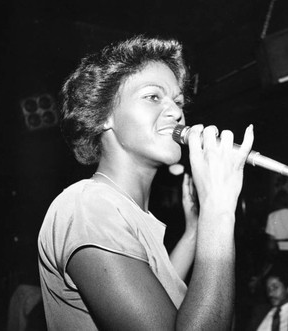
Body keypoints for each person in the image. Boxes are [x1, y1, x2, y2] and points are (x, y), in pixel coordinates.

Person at [37, 35, 254, 330]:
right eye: (153, 96)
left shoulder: (129, 215)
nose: (177, 112)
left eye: (178, 101)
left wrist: (195, 232)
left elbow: (166, 304)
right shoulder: (88, 206)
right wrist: (219, 210)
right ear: (102, 116)